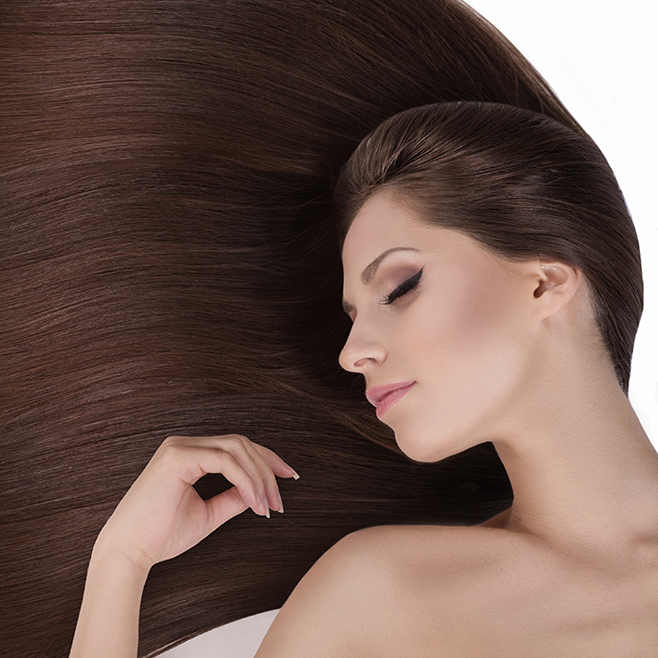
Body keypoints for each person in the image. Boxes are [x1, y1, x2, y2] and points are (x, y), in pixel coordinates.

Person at [1, 1, 647, 657]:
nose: (352, 353)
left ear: (545, 282)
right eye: (352, 316)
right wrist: (120, 561)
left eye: (400, 287)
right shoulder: (383, 592)